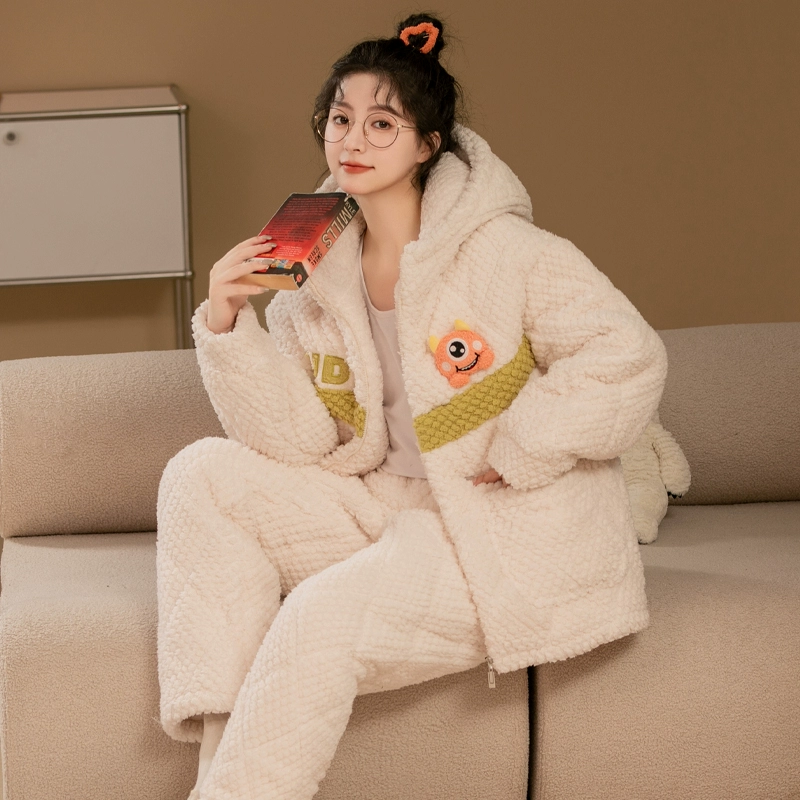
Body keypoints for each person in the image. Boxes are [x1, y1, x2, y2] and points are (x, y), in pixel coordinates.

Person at [156, 12, 668, 800]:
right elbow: (295, 440)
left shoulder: (507, 251)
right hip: (375, 505)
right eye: (340, 119)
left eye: (382, 123)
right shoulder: (314, 275)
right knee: (199, 474)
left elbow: (627, 355)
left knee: (318, 618)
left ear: (428, 144)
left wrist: (525, 443)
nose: (353, 140)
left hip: (489, 529)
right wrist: (228, 322)